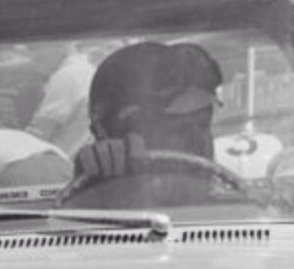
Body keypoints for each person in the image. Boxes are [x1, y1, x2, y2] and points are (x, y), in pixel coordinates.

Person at [62, 40, 226, 206]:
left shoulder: (234, 206)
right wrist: (93, 192)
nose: (198, 142)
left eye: (203, 125)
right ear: (120, 134)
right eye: (178, 129)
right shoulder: (96, 203)